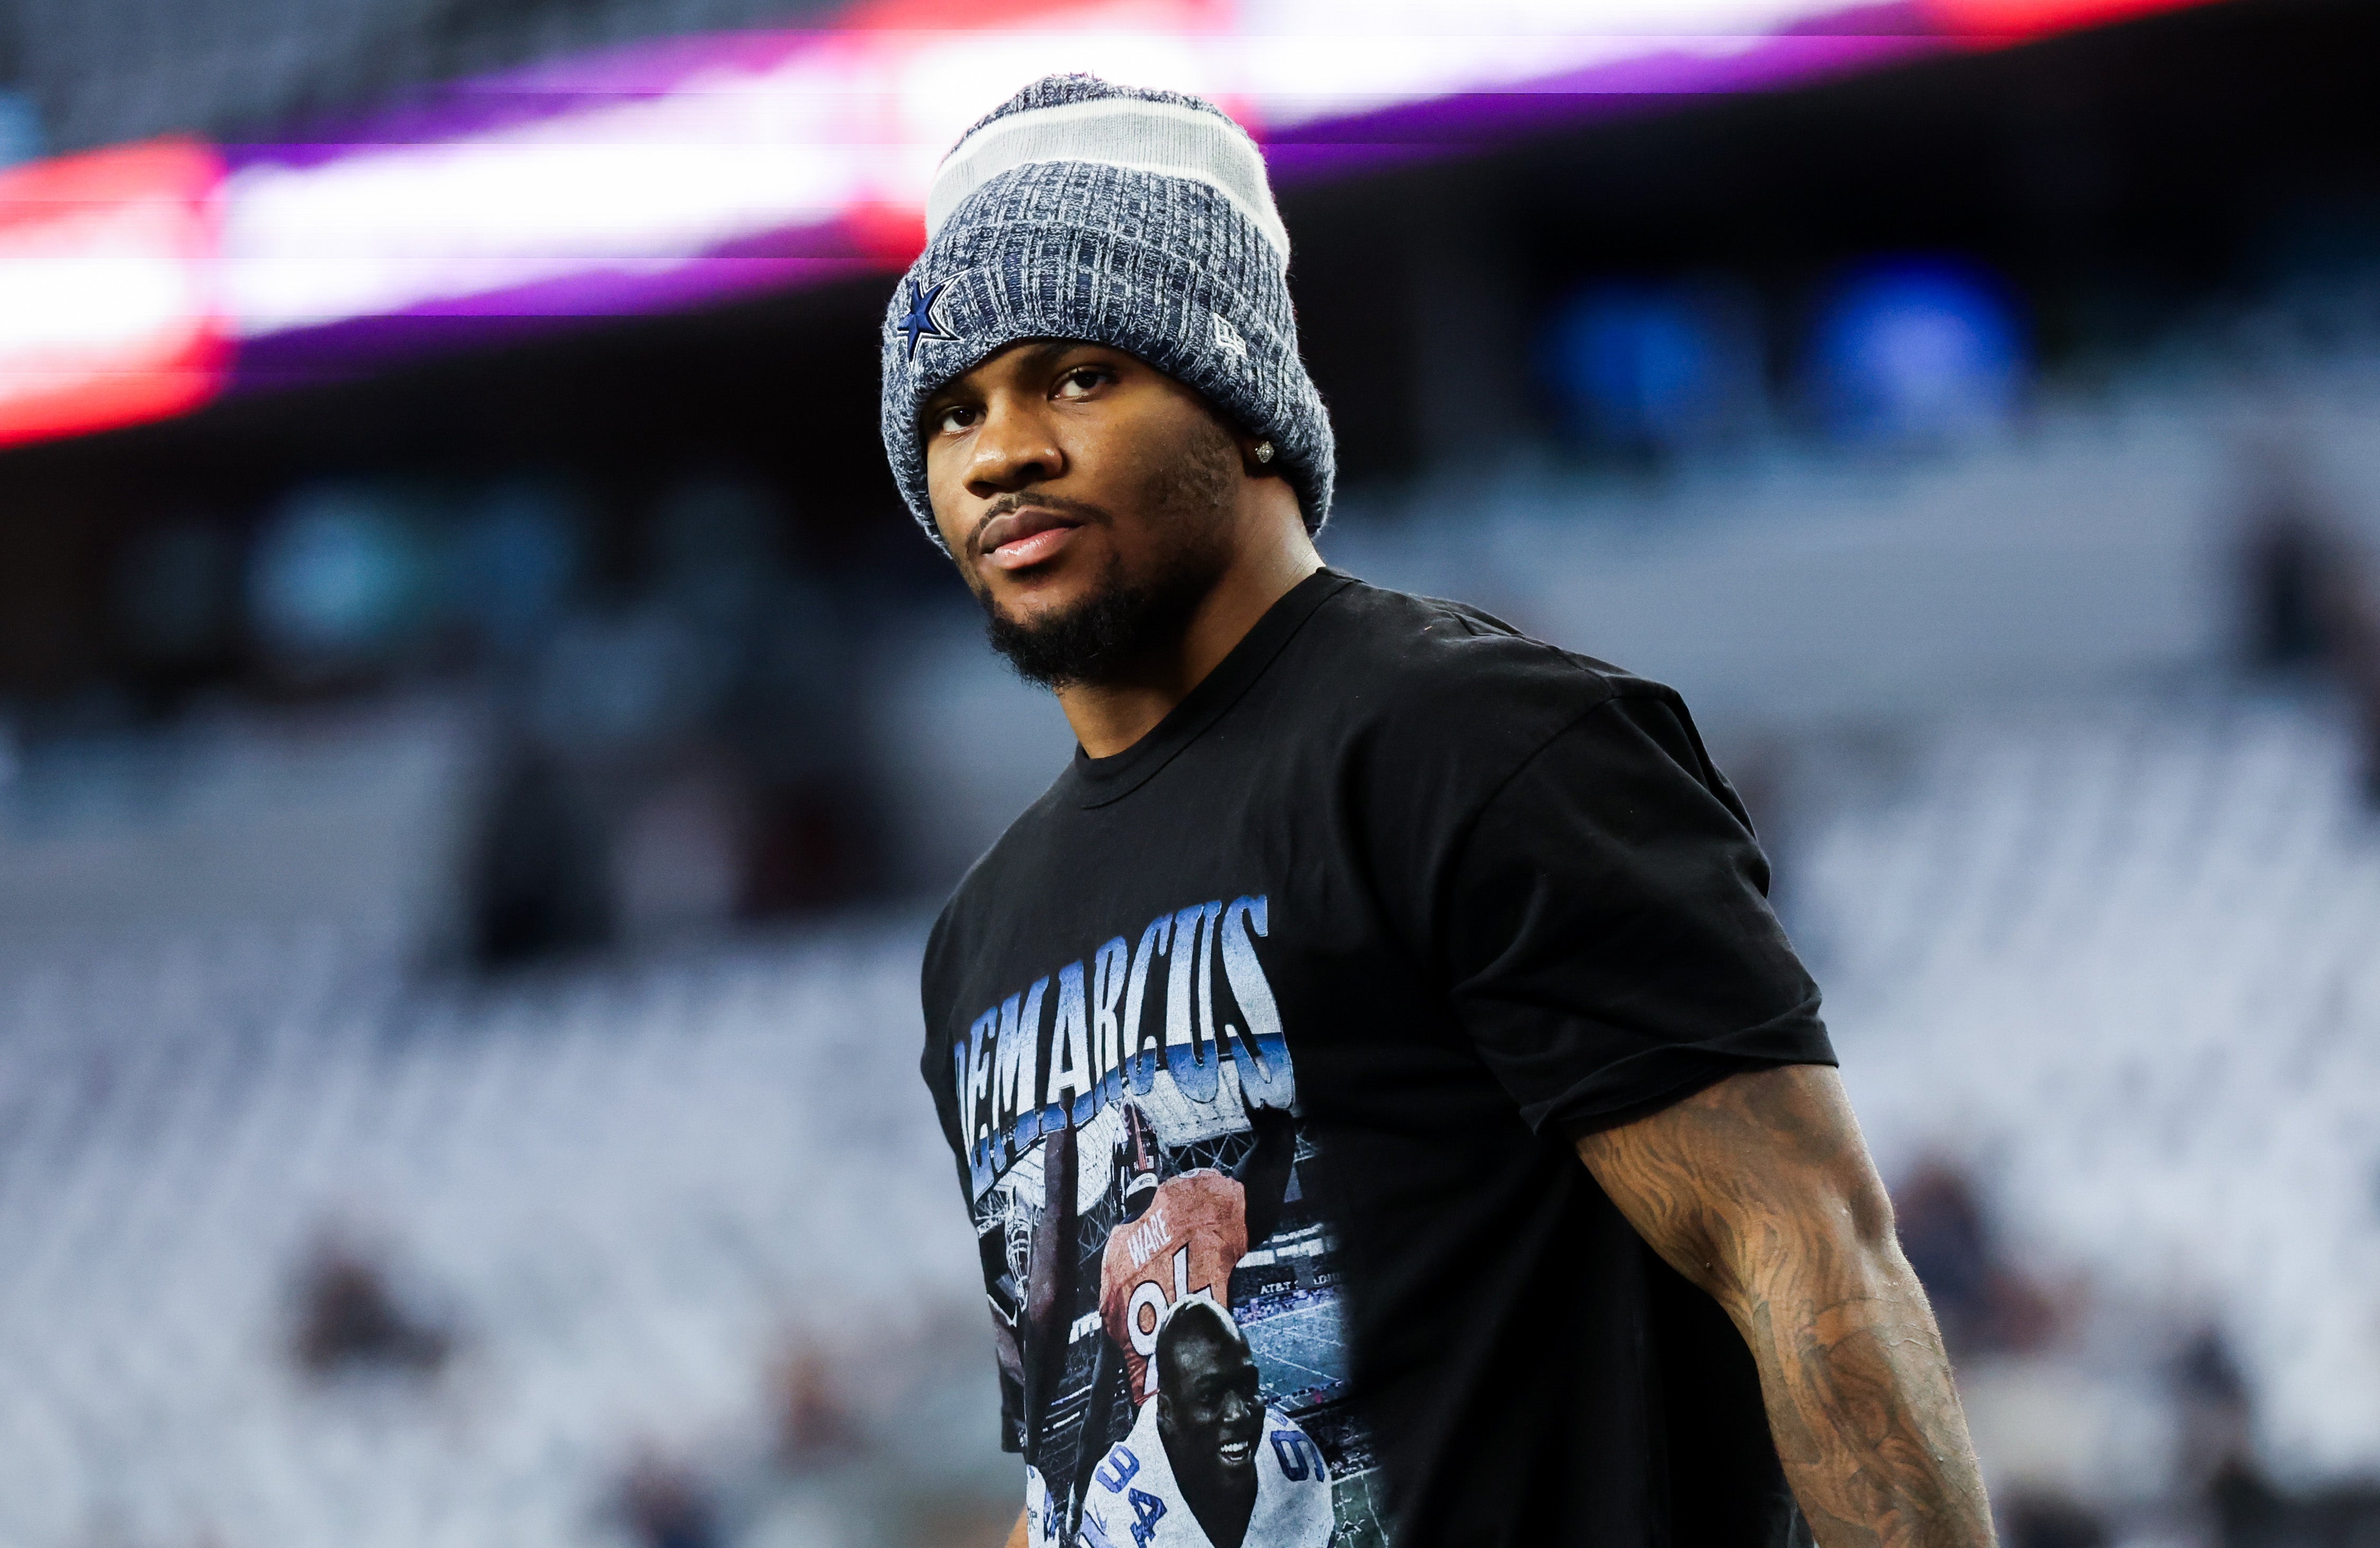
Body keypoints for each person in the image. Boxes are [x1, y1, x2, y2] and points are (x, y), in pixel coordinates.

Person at [896, 74, 1996, 1548]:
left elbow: (1804, 1249)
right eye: (954, 407)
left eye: (1077, 376)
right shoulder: (980, 936)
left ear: (1240, 398)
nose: (1000, 450)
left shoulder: (1476, 740)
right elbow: (1071, 1470)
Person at [1079, 1301, 1335, 1548]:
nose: (1238, 1414)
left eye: (1247, 1386)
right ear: (1166, 1412)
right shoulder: (1117, 1504)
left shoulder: (1296, 1464)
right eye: (1210, 1395)